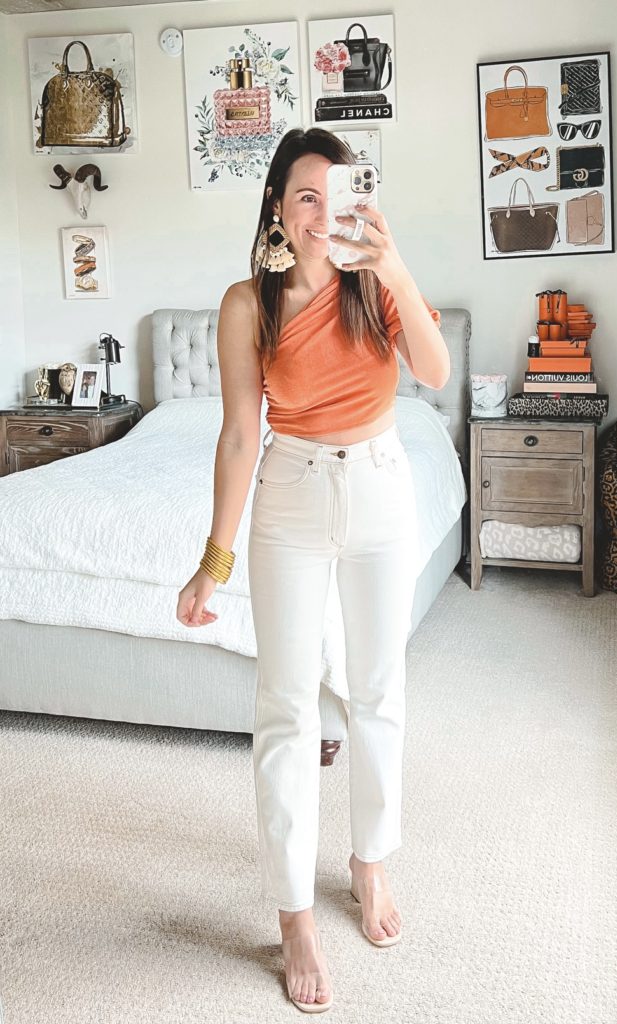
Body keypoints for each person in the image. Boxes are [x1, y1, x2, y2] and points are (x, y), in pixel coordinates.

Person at [177, 128, 449, 1013]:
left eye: (333, 193)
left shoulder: (376, 283)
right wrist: (211, 565)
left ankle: (368, 864)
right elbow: (236, 437)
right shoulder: (244, 305)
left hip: (378, 487)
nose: (320, 210)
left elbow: (436, 374)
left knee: (378, 692)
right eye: (302, 196)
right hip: (289, 497)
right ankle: (294, 911)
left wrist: (397, 265)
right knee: (285, 709)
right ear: (278, 213)